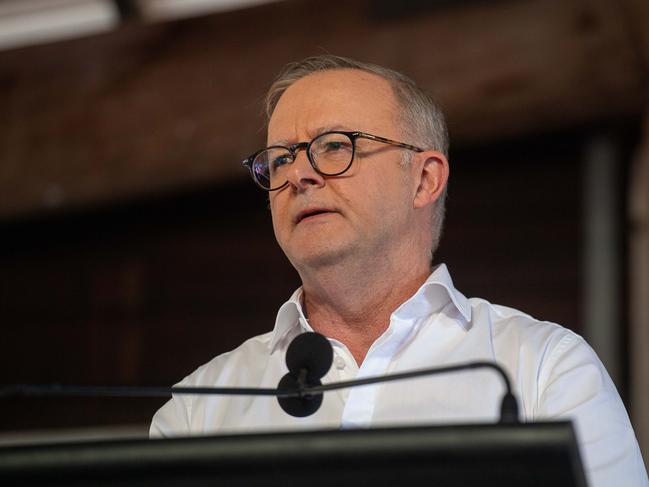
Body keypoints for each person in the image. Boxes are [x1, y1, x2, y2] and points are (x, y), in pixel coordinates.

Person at [150, 55, 647, 486]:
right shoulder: (200, 407)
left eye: (335, 146)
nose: (298, 174)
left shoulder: (542, 370)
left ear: (424, 179)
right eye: (279, 159)